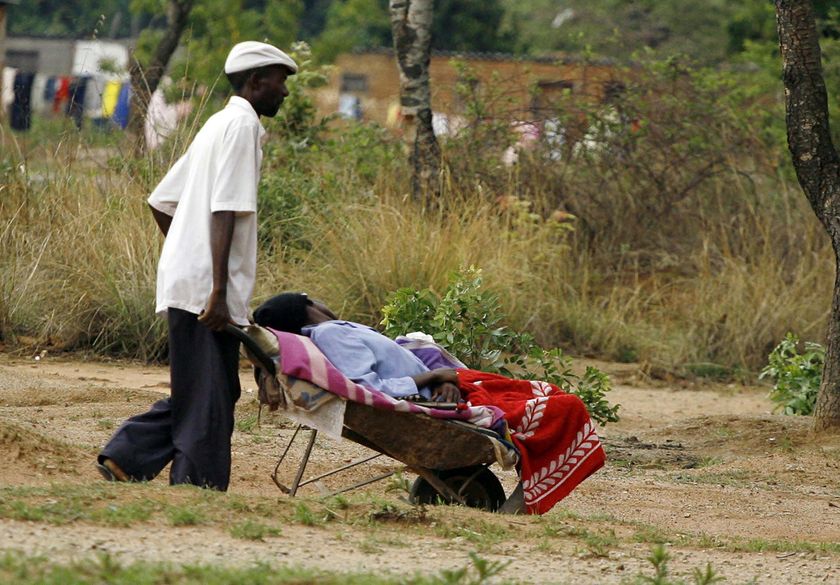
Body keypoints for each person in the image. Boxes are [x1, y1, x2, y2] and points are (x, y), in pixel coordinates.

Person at [96, 42, 298, 491]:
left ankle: (128, 456)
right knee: (208, 399)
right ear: (257, 80)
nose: (285, 93)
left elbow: (163, 201)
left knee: (213, 389)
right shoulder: (242, 126)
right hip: (208, 291)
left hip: (192, 280)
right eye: (281, 82)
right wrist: (217, 288)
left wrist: (185, 254)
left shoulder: (217, 123)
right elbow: (226, 208)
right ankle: (195, 488)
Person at [252, 293, 606, 514]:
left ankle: (531, 485)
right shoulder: (331, 333)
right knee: (565, 406)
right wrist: (435, 380)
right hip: (436, 394)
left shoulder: (337, 330)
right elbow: (368, 387)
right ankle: (528, 497)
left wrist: (442, 379)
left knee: (549, 395)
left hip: (447, 389)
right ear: (310, 305)